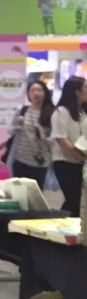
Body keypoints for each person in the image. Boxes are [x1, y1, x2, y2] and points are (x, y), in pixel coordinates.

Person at [1, 79, 55, 187]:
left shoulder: (51, 113)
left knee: (35, 193)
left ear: (45, 93)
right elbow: (10, 131)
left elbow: (55, 141)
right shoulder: (22, 111)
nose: (36, 93)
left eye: (39, 90)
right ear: (28, 94)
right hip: (20, 159)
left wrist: (42, 136)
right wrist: (17, 126)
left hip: (40, 162)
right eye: (32, 90)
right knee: (19, 191)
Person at [52, 76, 87, 216]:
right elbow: (61, 139)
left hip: (80, 162)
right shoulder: (61, 112)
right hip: (65, 163)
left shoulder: (82, 112)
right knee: (73, 198)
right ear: (76, 91)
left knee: (78, 199)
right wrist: (79, 155)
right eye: (85, 87)